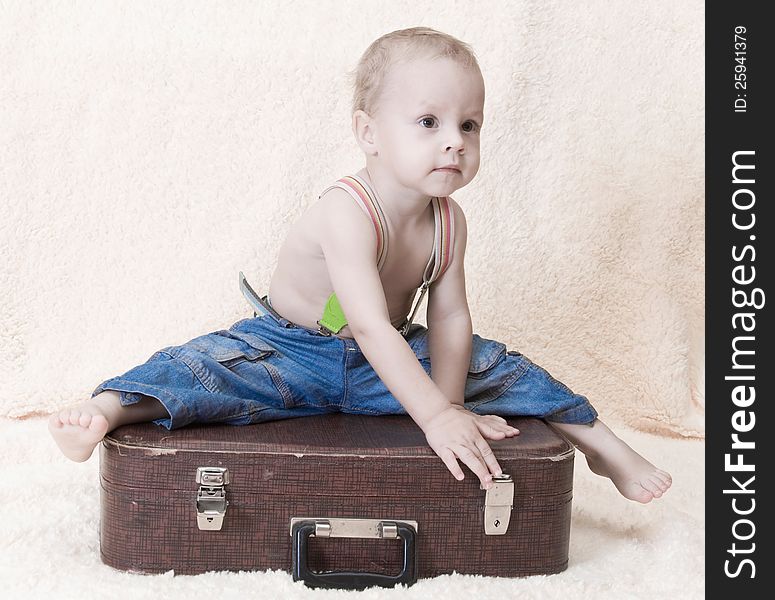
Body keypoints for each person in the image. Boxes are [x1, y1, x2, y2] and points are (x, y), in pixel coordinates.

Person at [49, 27, 671, 503]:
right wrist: (430, 414)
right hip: (289, 349)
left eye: (469, 124)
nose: (454, 140)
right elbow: (367, 321)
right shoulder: (347, 211)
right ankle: (106, 413)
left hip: (387, 360)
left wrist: (450, 405)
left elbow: (450, 317)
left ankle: (603, 448)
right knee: (207, 372)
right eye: (428, 122)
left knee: (500, 368)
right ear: (368, 132)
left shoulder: (449, 221)